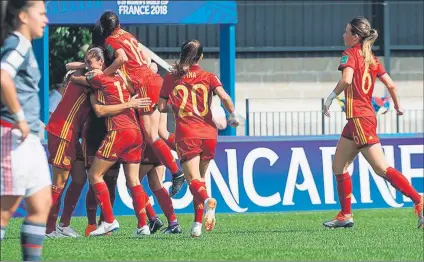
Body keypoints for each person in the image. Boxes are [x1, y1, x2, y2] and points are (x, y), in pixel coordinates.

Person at [323, 16, 423, 229]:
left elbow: (347, 79)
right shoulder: (371, 58)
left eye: (346, 31)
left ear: (355, 36)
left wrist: (330, 97)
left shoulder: (349, 54)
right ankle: (345, 215)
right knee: (338, 166)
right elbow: (391, 85)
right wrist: (397, 106)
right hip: (359, 119)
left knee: (381, 168)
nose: (343, 35)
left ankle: (419, 201)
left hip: (360, 118)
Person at [158, 39, 240, 237]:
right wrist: (233, 115)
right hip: (209, 134)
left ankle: (207, 201)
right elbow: (225, 97)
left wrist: (176, 106)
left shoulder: (171, 76)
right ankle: (196, 226)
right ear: (201, 57)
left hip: (187, 133)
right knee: (201, 179)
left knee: (194, 180)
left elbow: (161, 107)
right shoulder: (209, 76)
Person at [98, 11, 184, 197]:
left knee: (151, 135)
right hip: (154, 79)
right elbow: (146, 58)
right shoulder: (128, 35)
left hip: (144, 84)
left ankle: (177, 172)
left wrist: (105, 75)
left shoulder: (110, 40)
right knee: (161, 132)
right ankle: (185, 153)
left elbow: (122, 58)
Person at [71, 47, 151, 236]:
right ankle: (143, 226)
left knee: (94, 175)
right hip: (135, 132)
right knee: (133, 180)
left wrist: (85, 73)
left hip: (119, 131)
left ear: (101, 62)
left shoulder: (97, 79)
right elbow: (131, 86)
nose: (89, 66)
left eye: (91, 62)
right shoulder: (121, 77)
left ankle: (108, 220)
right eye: (87, 62)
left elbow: (74, 77)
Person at [0, 1, 51, 260]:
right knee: (5, 210)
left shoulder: (24, 45)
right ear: (22, 16)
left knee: (41, 205)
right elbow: (2, 75)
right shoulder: (18, 42)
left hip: (29, 138)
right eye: (41, 14)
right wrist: (20, 117)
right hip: (14, 136)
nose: (46, 19)